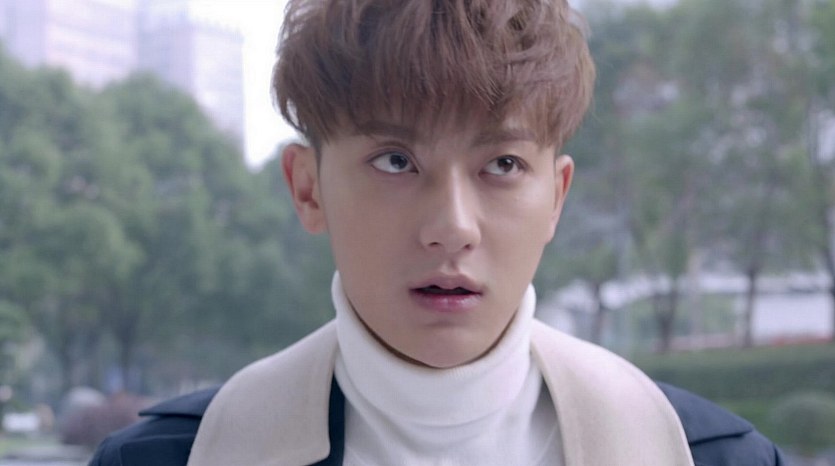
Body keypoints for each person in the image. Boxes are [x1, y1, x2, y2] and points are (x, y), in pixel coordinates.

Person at [90, 0, 785, 464]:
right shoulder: (166, 460)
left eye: (502, 164)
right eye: (396, 161)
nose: (451, 228)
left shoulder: (715, 458)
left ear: (556, 196)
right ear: (308, 188)